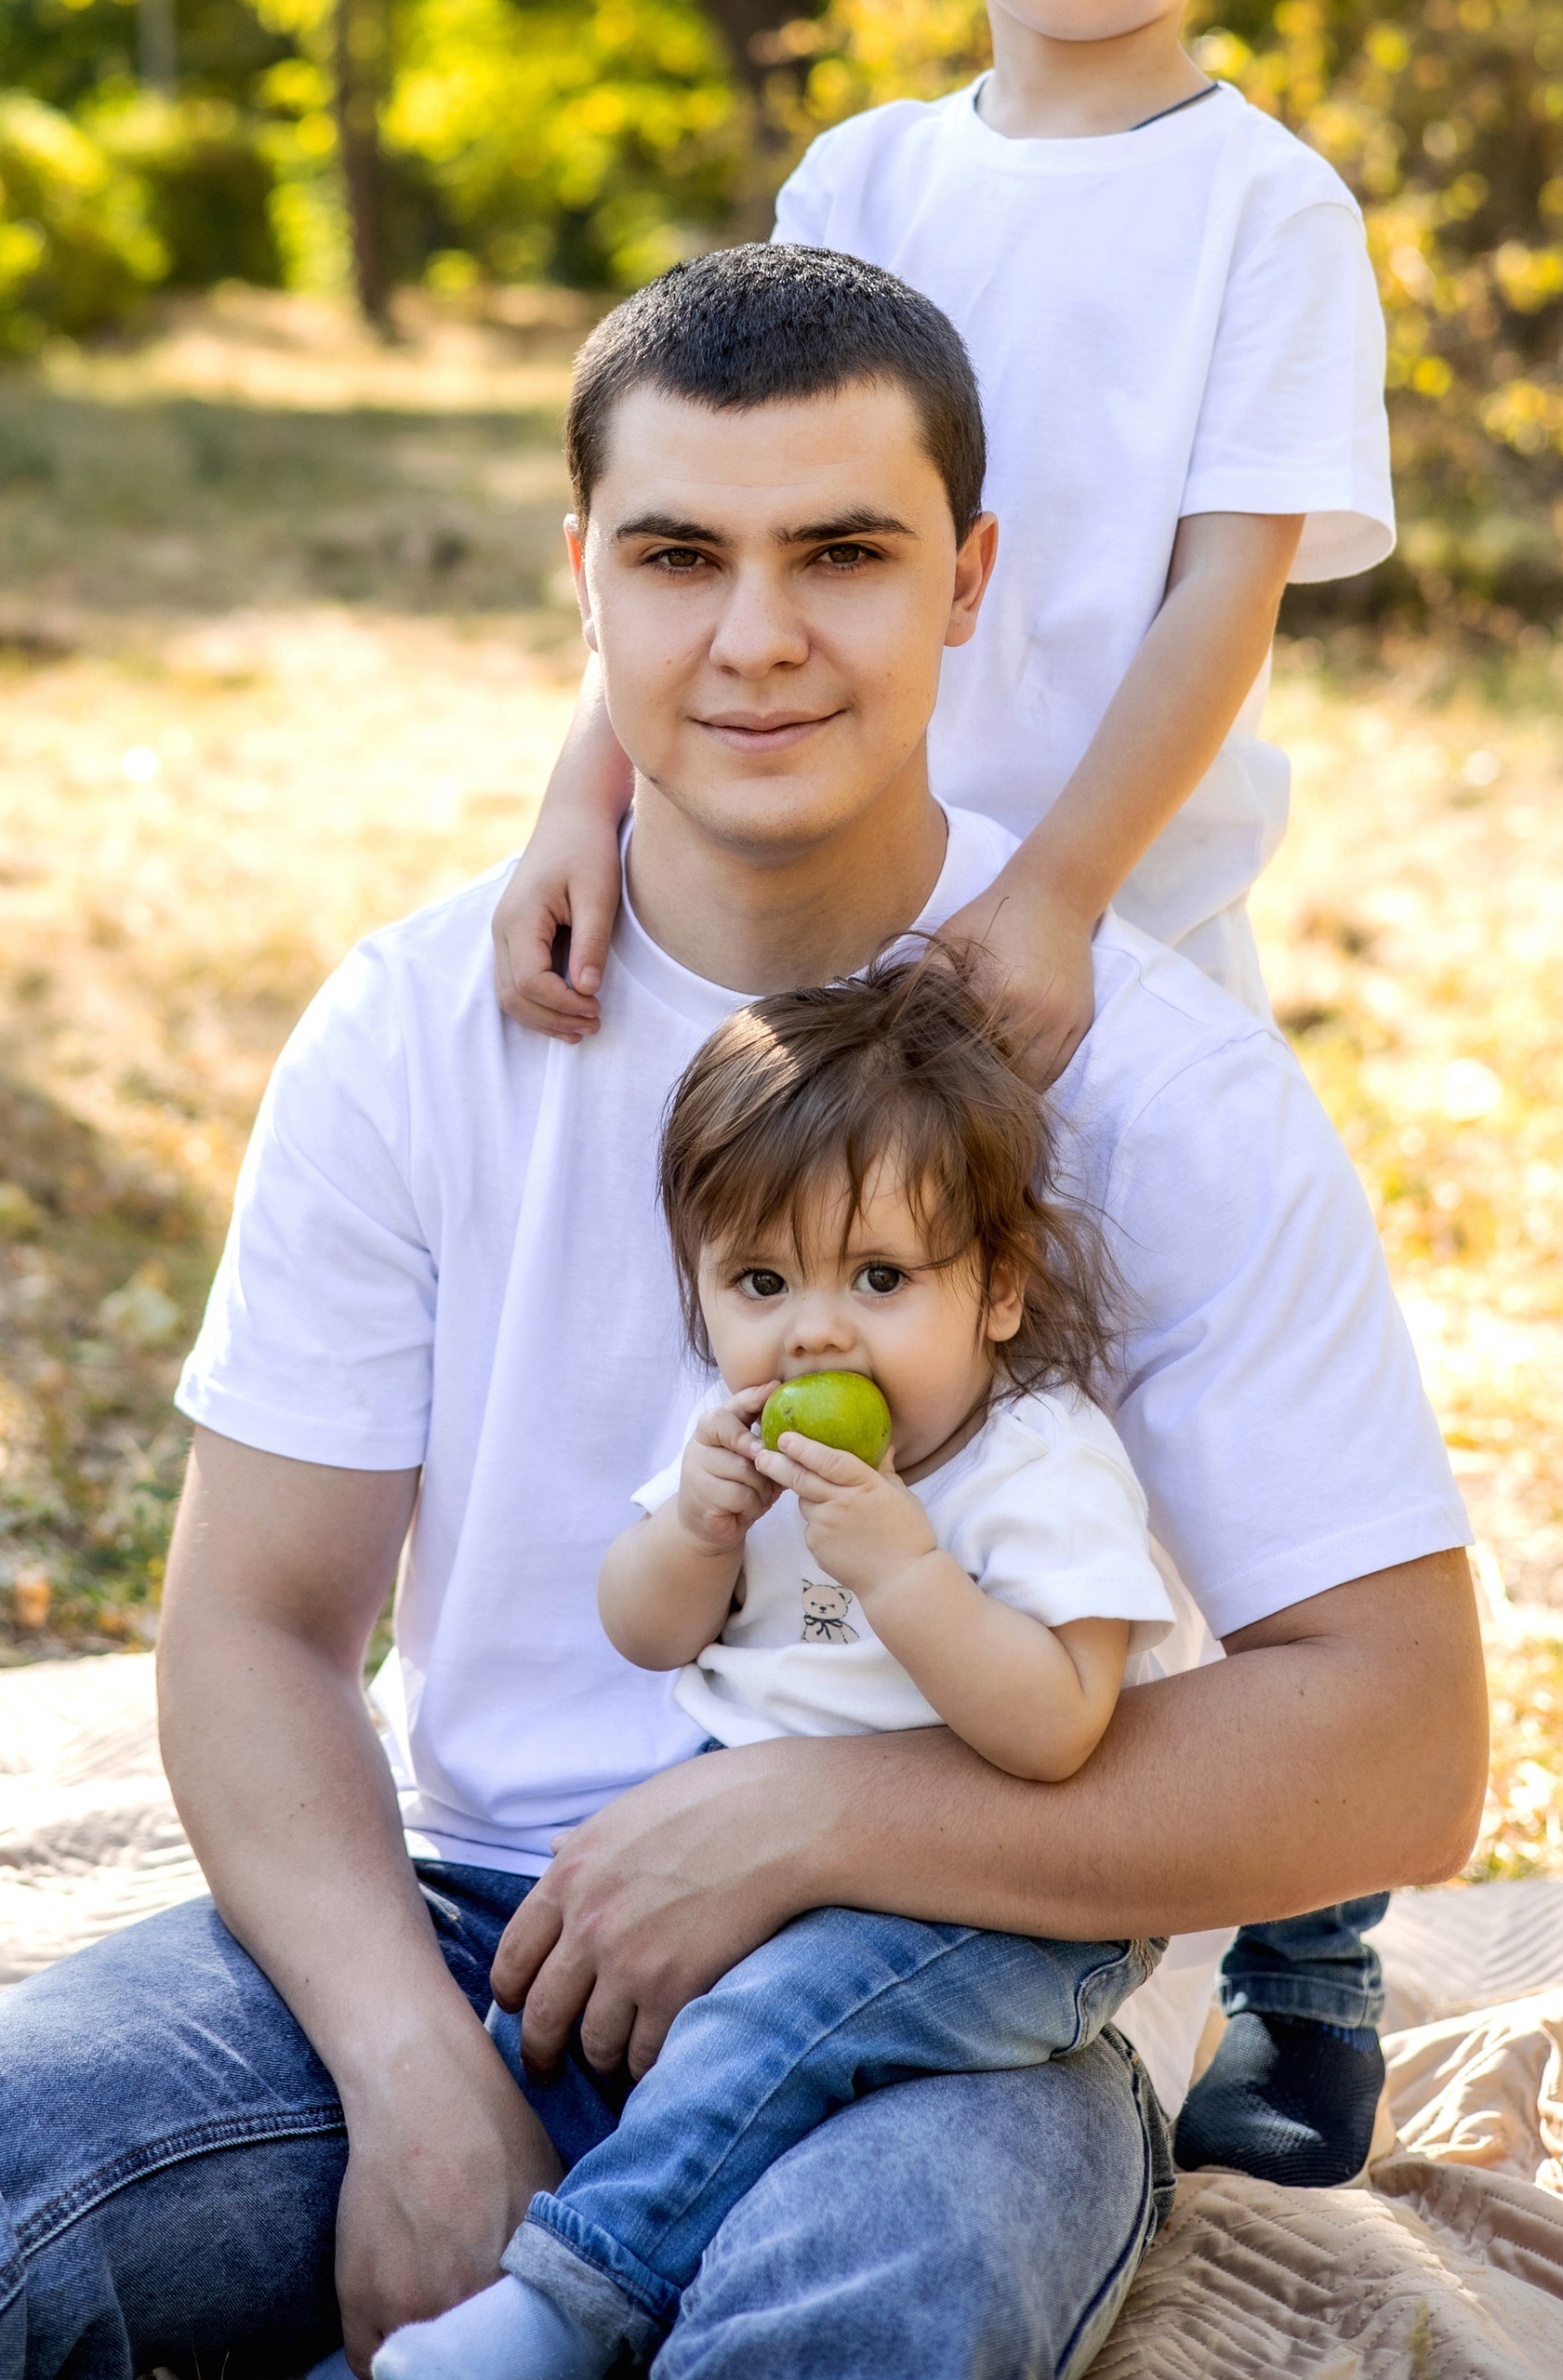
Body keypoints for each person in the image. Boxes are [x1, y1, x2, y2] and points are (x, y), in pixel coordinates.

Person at [0, 246, 1483, 2380]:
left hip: (941, 1995)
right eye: (678, 555)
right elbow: (254, 1626)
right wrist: (410, 2068)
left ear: (966, 579)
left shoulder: (1154, 1083)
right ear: (578, 584)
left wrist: (817, 1815)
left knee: (876, 2306)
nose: (757, 635)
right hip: (450, 1932)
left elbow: (1401, 1747)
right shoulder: (418, 1027)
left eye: (843, 556)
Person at [493, 0, 1401, 2182]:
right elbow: (737, 518)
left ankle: (1303, 1953)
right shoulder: (870, 163)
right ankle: (802, 1768)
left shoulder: (1264, 211)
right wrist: (590, 791)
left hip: (1100, 923)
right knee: (850, 1338)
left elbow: (1227, 581)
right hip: (833, 894)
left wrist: (1075, 889)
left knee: (1141, 1378)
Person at [377, 953, 1176, 2380]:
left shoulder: (1036, 1464)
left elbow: (1059, 1725)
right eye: (761, 1280)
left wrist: (904, 1573)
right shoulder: (738, 1442)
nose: (814, 1328)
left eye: (879, 1277)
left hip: (996, 1900)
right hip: (738, 1827)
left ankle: (567, 2301)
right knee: (549, 2006)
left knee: (768, 2024)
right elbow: (646, 1629)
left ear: (998, 1286)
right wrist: (693, 1528)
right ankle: (459, 2289)